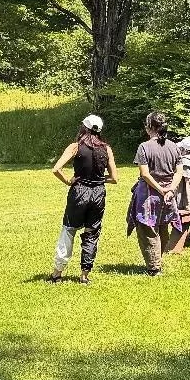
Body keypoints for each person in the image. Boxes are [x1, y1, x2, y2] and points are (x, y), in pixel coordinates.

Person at [49, 114, 119, 284]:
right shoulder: (106, 148)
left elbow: (56, 169)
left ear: (84, 128)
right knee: (92, 233)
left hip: (79, 192)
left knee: (68, 230)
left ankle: (57, 273)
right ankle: (84, 275)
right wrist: (99, 180)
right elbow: (114, 178)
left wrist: (69, 180)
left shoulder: (75, 146)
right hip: (98, 194)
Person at [127, 111, 185, 277]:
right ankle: (157, 261)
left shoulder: (144, 147)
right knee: (163, 227)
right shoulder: (174, 146)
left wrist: (161, 190)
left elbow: (145, 174)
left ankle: (154, 267)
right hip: (168, 196)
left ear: (149, 127)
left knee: (148, 230)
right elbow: (179, 172)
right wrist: (171, 190)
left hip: (149, 196)